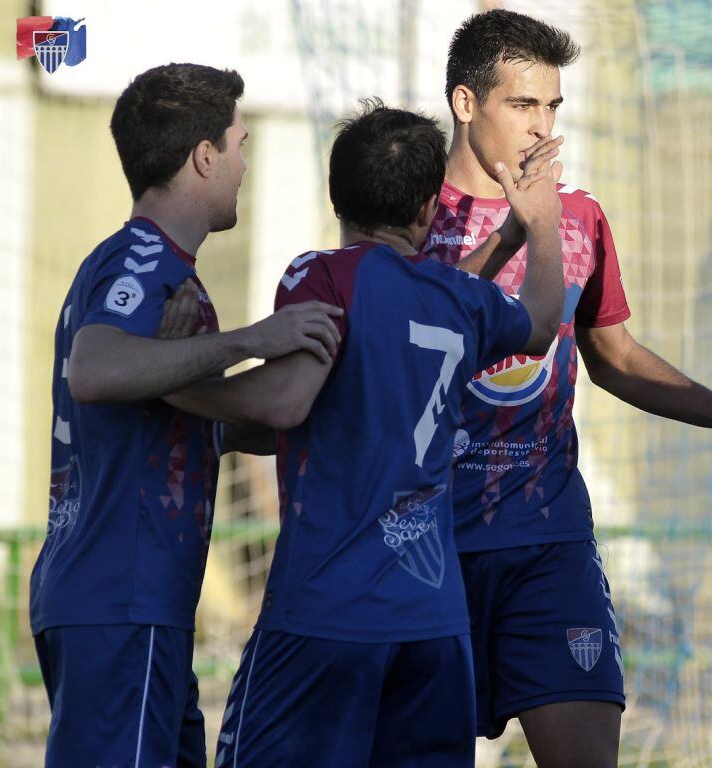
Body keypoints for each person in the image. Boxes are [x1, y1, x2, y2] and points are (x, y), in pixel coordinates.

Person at [422, 9, 712, 765]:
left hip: (548, 543)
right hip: (430, 547)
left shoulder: (580, 219)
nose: (542, 127)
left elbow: (613, 354)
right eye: (521, 105)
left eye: (553, 107)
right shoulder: (413, 218)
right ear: (466, 103)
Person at [162, 100, 566, 766]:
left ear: (335, 196)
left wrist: (173, 385)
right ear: (427, 212)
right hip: (434, 626)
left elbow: (287, 402)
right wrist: (537, 228)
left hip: (326, 615)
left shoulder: (319, 274)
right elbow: (544, 318)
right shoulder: (458, 297)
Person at [29, 63, 343, 767]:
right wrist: (248, 341)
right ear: (204, 157)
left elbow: (177, 421)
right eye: (239, 144)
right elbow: (96, 368)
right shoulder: (145, 263)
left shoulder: (155, 269)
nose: (243, 164)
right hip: (121, 598)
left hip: (138, 602)